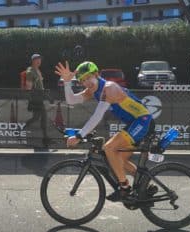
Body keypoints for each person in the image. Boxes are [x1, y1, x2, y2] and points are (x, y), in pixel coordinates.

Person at [55, 61, 155, 201]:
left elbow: (97, 115)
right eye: (82, 80)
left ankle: (125, 188)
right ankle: (147, 185)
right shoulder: (93, 90)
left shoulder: (109, 88)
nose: (85, 82)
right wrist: (67, 82)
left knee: (109, 148)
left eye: (88, 77)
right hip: (135, 122)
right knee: (117, 158)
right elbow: (71, 100)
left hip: (143, 121)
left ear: (96, 74)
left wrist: (79, 135)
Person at [25, 53, 50, 147]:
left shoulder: (37, 70)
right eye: (37, 59)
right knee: (43, 116)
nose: (39, 61)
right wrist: (33, 93)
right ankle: (45, 138)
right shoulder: (30, 71)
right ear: (33, 61)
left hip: (39, 97)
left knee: (37, 117)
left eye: (40, 59)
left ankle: (20, 129)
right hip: (35, 98)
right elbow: (28, 87)